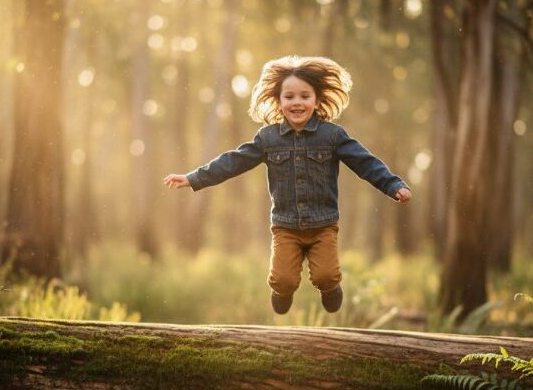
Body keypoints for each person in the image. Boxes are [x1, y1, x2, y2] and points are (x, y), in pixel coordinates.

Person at [164, 55, 412, 314]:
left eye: (305, 96)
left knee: (325, 275)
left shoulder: (332, 136)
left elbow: (365, 163)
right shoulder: (267, 138)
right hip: (285, 227)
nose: (297, 102)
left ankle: (331, 288)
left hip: (323, 225)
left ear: (317, 100)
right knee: (283, 281)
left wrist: (392, 185)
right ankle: (282, 292)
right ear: (279, 101)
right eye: (289, 96)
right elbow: (232, 162)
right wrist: (193, 178)